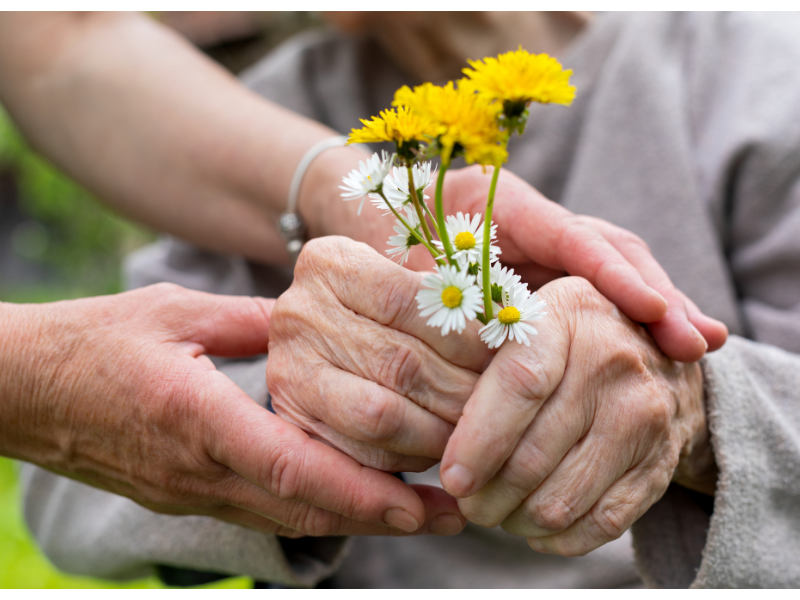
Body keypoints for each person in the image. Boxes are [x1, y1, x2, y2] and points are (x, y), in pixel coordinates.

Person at [27, 10, 788, 588]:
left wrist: (699, 411)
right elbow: (65, 493)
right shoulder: (250, 123)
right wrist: (297, 409)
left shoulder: (751, 73)